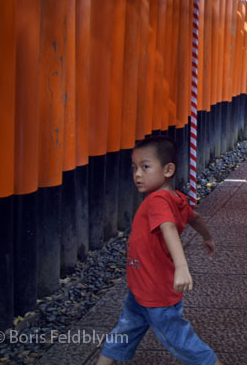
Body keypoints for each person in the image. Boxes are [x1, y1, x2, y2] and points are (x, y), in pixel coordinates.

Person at [96, 136, 220, 365]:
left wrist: (182, 267)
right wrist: (207, 237)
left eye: (145, 167)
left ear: (168, 170)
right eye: (134, 168)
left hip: (155, 290)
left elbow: (168, 227)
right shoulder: (177, 199)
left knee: (180, 339)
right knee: (124, 331)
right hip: (141, 285)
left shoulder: (158, 201)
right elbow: (195, 217)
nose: (137, 174)